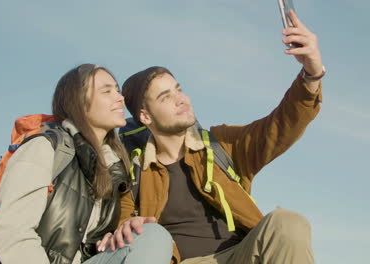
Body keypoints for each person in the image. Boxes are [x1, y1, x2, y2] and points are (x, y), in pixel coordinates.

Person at [100, 10, 324, 264]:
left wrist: (311, 74)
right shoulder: (133, 167)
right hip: (185, 261)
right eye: (165, 97)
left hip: (242, 255)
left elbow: (280, 126)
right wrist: (128, 227)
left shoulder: (221, 144)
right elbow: (124, 220)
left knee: (288, 223)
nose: (180, 99)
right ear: (145, 116)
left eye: (178, 89)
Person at [0, 64, 173, 264]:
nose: (120, 99)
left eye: (118, 91)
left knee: (151, 234)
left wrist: (111, 238)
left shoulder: (114, 169)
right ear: (79, 102)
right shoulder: (46, 148)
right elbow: (11, 233)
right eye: (107, 91)